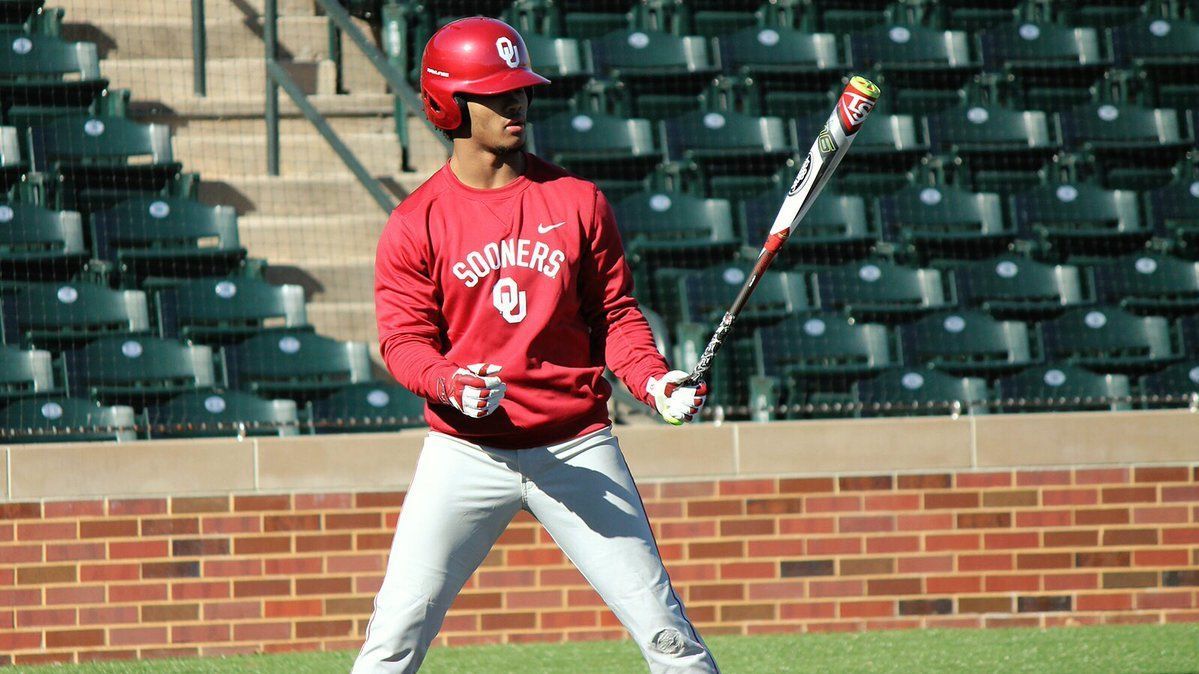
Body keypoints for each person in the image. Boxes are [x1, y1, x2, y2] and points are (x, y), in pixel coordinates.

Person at [351, 16, 718, 674]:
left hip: (575, 443)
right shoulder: (414, 223)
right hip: (464, 453)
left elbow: (615, 317)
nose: (515, 102)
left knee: (668, 636)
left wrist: (654, 380)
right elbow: (402, 343)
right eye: (494, 93)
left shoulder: (578, 201)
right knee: (394, 634)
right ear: (447, 104)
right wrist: (447, 382)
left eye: (519, 89)